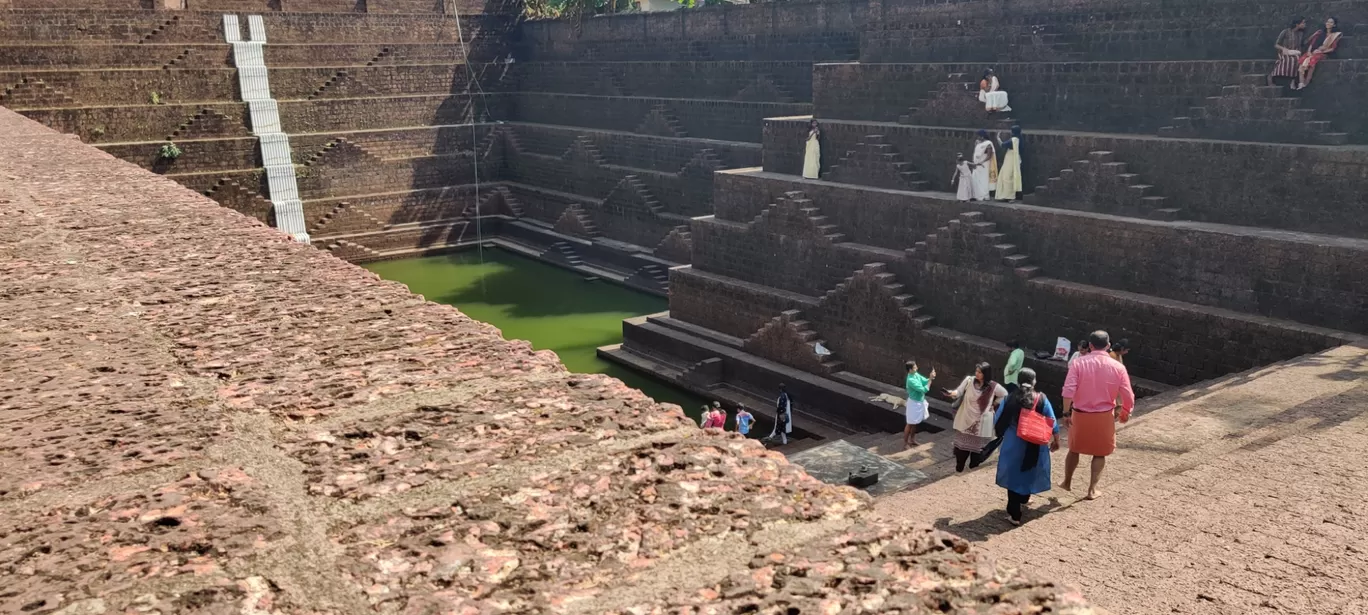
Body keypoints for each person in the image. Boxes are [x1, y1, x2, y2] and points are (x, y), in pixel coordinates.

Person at [1060, 330, 1136, 500]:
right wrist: (1125, 412)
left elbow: (1068, 391)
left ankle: (1067, 481)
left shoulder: (1078, 364)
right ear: (1108, 345)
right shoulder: (1118, 367)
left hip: (1080, 413)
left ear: (1091, 345)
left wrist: (1066, 413)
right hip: (1104, 415)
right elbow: (1128, 395)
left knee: (1074, 449)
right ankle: (1092, 489)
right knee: (1099, 452)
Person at [993, 367, 1060, 525]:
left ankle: (1014, 514)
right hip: (1035, 442)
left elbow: (997, 420)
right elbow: (1052, 421)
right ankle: (1024, 497)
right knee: (1030, 470)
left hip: (1013, 443)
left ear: (1018, 381)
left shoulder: (1009, 398)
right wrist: (1056, 440)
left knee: (1013, 475)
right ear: (1034, 381)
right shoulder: (1041, 398)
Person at [945, 361, 1008, 472]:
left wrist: (994, 404)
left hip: (981, 423)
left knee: (976, 451)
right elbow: (958, 392)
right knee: (961, 449)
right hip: (966, 419)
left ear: (986, 374)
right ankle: (959, 469)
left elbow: (1004, 394)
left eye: (980, 372)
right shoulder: (969, 380)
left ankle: (972, 469)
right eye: (976, 371)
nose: (977, 374)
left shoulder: (993, 386)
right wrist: (950, 393)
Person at [1294, 17, 1340, 90]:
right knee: (1302, 60)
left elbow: (1332, 48)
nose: (1328, 23)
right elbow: (1312, 44)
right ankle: (1301, 83)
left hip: (1324, 54)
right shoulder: (1320, 33)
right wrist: (1309, 52)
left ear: (1334, 25)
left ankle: (1306, 83)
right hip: (1313, 52)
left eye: (1331, 22)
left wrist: (1321, 51)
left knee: (1312, 61)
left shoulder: (1335, 35)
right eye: (1327, 21)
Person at [903, 360, 935, 447]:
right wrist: (930, 380)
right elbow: (923, 389)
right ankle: (905, 443)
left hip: (919, 402)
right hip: (913, 403)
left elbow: (924, 381)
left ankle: (912, 439)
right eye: (915, 367)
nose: (917, 368)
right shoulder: (910, 380)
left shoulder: (915, 374)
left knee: (915, 422)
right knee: (910, 423)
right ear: (910, 370)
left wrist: (929, 377)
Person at [1268, 17, 1307, 86]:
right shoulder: (1285, 32)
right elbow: (1276, 44)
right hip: (1284, 52)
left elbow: (1303, 44)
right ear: (1297, 24)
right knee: (1288, 60)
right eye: (1303, 23)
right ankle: (1272, 76)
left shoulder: (1300, 34)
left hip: (1295, 53)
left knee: (1298, 60)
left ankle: (1293, 80)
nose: (1304, 24)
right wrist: (1284, 49)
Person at [996, 125, 1024, 202]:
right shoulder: (1020, 139)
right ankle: (1006, 195)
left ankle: (1011, 196)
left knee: (1007, 177)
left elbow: (1002, 145)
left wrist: (998, 138)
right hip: (1015, 158)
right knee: (1009, 177)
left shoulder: (1014, 140)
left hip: (1011, 158)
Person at [970, 130, 997, 201]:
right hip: (976, 164)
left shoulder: (988, 144)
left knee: (983, 180)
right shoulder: (978, 143)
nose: (977, 137)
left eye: (979, 136)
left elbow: (989, 155)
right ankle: (975, 195)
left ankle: (983, 196)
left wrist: (981, 162)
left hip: (984, 164)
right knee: (975, 178)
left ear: (982, 136)